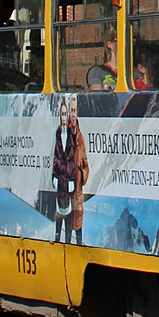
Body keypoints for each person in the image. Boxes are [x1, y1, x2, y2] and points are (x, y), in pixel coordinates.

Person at [67, 96, 89, 246]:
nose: (73, 115)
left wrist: (82, 175)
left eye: (75, 111)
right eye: (71, 111)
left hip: (77, 188)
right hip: (66, 186)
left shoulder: (80, 137)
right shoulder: (63, 136)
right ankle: (67, 243)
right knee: (66, 217)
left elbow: (85, 162)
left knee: (78, 216)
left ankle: (78, 244)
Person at [53, 98, 75, 243]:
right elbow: (56, 156)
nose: (64, 117)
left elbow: (72, 158)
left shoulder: (70, 136)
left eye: (65, 114)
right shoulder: (58, 134)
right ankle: (57, 239)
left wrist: (72, 178)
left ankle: (67, 240)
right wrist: (55, 175)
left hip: (68, 179)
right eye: (62, 114)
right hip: (61, 180)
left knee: (68, 213)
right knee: (59, 212)